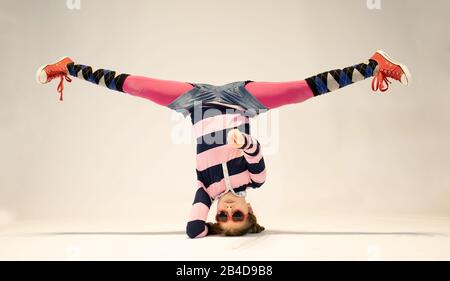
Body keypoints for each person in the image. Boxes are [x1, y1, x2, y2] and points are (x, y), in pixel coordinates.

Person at [36, 50, 411, 238]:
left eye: (222, 217)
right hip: (242, 100)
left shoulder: (206, 186)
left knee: (135, 85)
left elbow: (191, 228)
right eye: (238, 216)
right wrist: (244, 140)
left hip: (193, 103)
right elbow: (257, 154)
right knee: (300, 90)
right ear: (250, 210)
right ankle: (373, 66)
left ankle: (69, 67)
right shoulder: (255, 182)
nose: (228, 210)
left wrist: (202, 228)